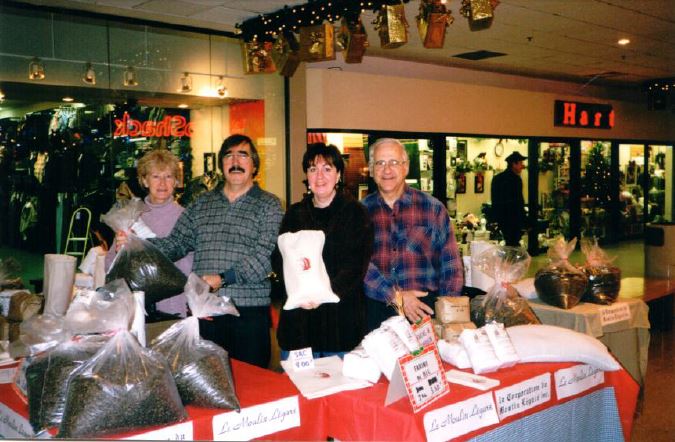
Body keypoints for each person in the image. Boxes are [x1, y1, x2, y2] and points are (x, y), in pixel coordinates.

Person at [115, 134, 283, 368]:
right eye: (228, 156)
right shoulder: (201, 204)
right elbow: (175, 244)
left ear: (254, 165)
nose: (235, 161)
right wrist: (135, 243)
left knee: (251, 383)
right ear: (221, 165)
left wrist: (223, 279)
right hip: (205, 312)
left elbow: (265, 256)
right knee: (209, 384)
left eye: (242, 155)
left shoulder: (270, 205)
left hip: (248, 312)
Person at [272, 143, 373, 359]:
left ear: (338, 175)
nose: (319, 176)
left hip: (340, 325)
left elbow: (356, 267)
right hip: (299, 325)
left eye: (327, 169)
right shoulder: (294, 214)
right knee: (297, 388)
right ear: (306, 176)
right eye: (312, 169)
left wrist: (323, 294)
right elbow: (278, 259)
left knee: (340, 390)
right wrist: (298, 289)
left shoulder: (355, 213)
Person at [362, 138, 463, 331]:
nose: (387, 170)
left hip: (424, 310)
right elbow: (359, 266)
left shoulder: (432, 209)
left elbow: (451, 267)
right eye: (380, 163)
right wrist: (396, 296)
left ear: (406, 167)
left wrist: (447, 313)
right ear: (372, 169)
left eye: (394, 162)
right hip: (376, 312)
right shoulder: (359, 213)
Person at [105, 149, 193, 317]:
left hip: (176, 305)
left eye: (168, 177)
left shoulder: (187, 217)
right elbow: (108, 266)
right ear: (144, 181)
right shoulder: (131, 217)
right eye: (155, 177)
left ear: (176, 181)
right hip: (137, 308)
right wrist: (119, 251)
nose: (162, 183)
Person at [491, 151, 528, 247]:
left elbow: (494, 200)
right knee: (514, 243)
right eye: (520, 163)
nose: (522, 166)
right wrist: (524, 219)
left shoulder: (497, 179)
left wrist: (496, 217)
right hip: (514, 218)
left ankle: (508, 260)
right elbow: (519, 200)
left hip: (502, 218)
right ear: (514, 164)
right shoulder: (516, 180)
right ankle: (511, 261)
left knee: (509, 242)